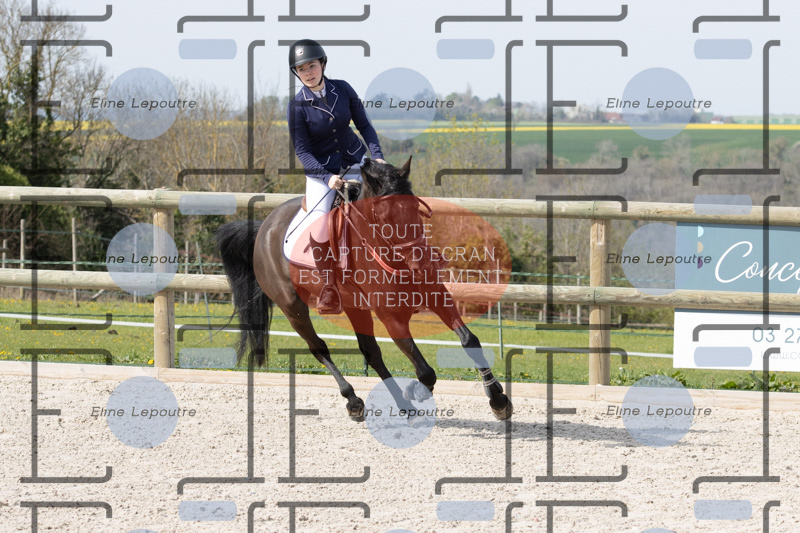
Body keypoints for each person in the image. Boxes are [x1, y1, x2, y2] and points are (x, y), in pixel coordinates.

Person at [287, 38, 386, 314]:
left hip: (356, 161)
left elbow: (364, 125)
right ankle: (329, 288)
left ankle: (406, 272)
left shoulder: (342, 89)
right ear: (297, 73)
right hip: (322, 173)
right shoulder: (296, 106)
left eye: (311, 66)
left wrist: (377, 156)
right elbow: (302, 151)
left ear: (322, 64)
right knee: (319, 226)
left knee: (389, 205)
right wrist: (326, 177)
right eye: (301, 69)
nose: (308, 72)